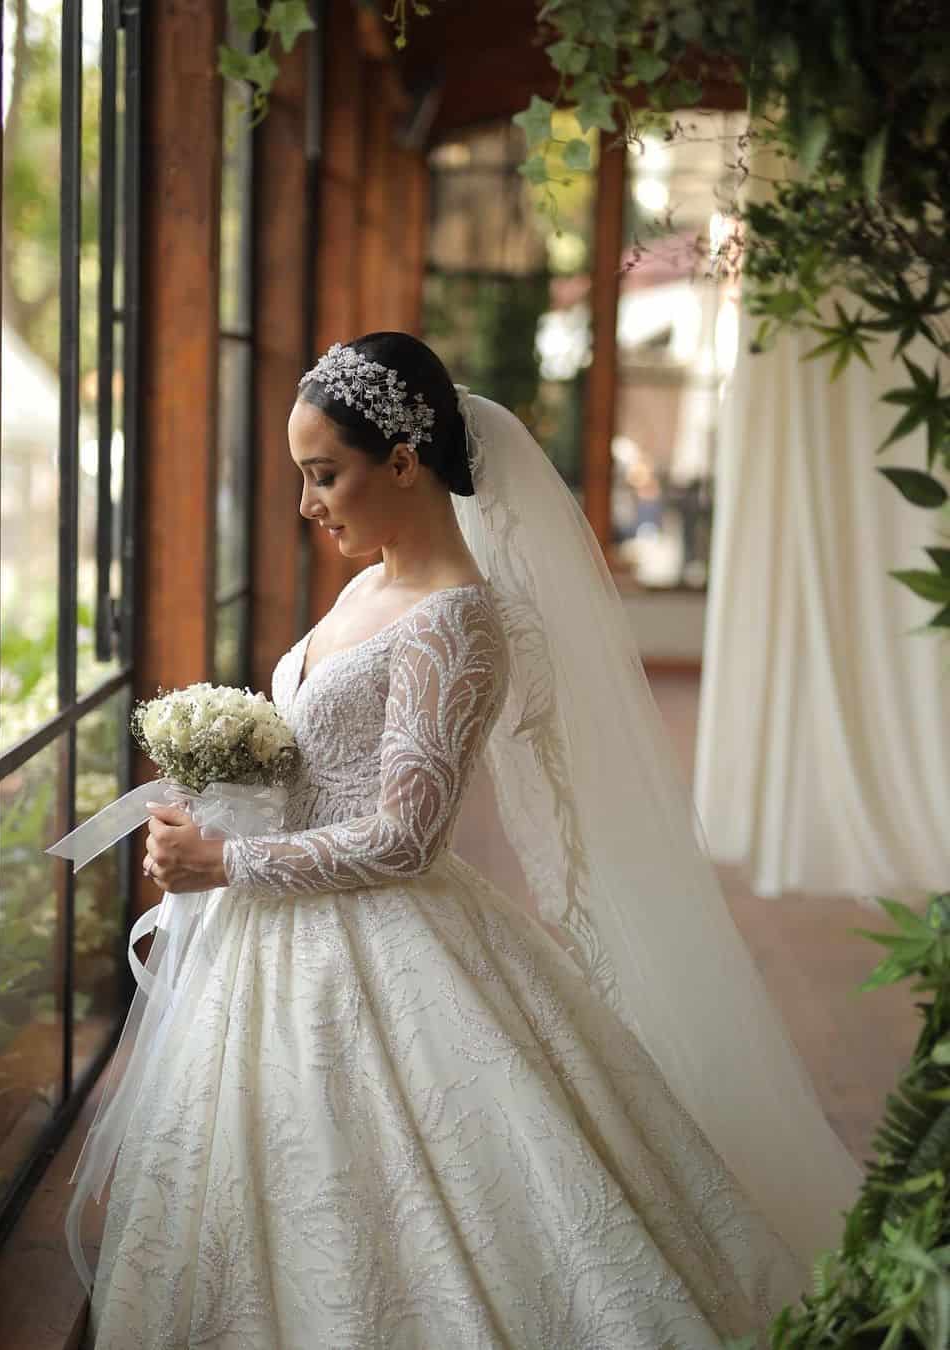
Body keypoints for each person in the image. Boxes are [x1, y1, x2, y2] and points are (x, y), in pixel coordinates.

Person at [72, 332, 862, 1348]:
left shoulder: (457, 620)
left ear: (402, 462)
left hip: (384, 941)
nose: (310, 506)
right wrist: (229, 790)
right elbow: (328, 752)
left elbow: (406, 835)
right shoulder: (367, 587)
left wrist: (228, 861)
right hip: (273, 937)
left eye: (326, 477)